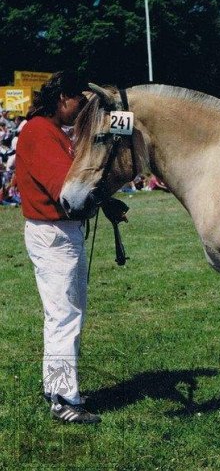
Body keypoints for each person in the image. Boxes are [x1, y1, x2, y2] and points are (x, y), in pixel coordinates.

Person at [16, 70, 102, 423]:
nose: (81, 111)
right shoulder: (40, 132)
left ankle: (57, 389)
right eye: (79, 103)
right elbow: (66, 189)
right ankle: (65, 399)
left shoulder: (51, 132)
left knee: (63, 315)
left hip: (58, 232)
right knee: (65, 316)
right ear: (63, 98)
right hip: (55, 234)